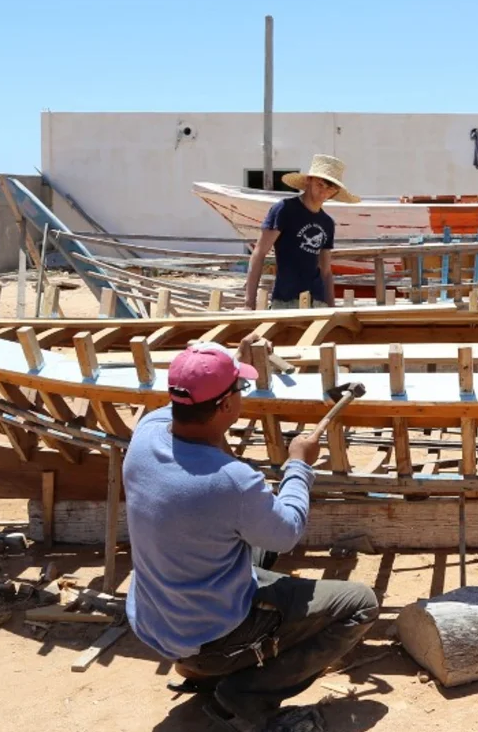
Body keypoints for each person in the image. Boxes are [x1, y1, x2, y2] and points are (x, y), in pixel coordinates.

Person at [124, 340, 378, 732]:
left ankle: (202, 671)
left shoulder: (146, 434)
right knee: (360, 603)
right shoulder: (232, 483)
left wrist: (222, 368)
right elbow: (287, 532)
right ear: (225, 407)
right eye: (238, 390)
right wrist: (298, 465)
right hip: (208, 638)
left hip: (157, 623)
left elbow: (198, 414)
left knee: (251, 534)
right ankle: (246, 694)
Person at [245, 154, 360, 310]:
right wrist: (249, 303)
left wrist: (331, 307)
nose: (325, 191)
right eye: (321, 184)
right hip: (287, 300)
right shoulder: (284, 209)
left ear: (335, 192)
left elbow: (326, 271)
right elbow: (259, 253)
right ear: (309, 181)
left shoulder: (327, 223)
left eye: (331, 187)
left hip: (318, 302)